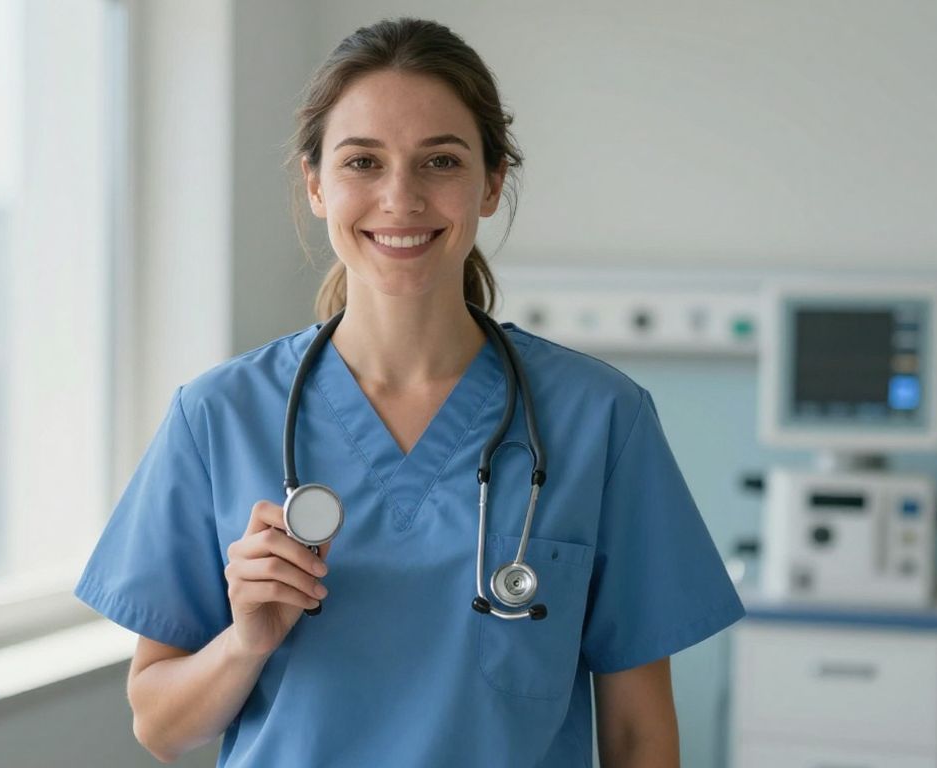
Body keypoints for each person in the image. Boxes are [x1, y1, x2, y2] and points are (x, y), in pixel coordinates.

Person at [75, 17, 744, 767]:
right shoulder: (217, 417)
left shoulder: (600, 420)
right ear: (316, 184)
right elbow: (160, 727)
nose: (401, 198)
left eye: (441, 162)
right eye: (363, 161)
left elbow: (638, 736)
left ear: (491, 184)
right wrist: (246, 642)